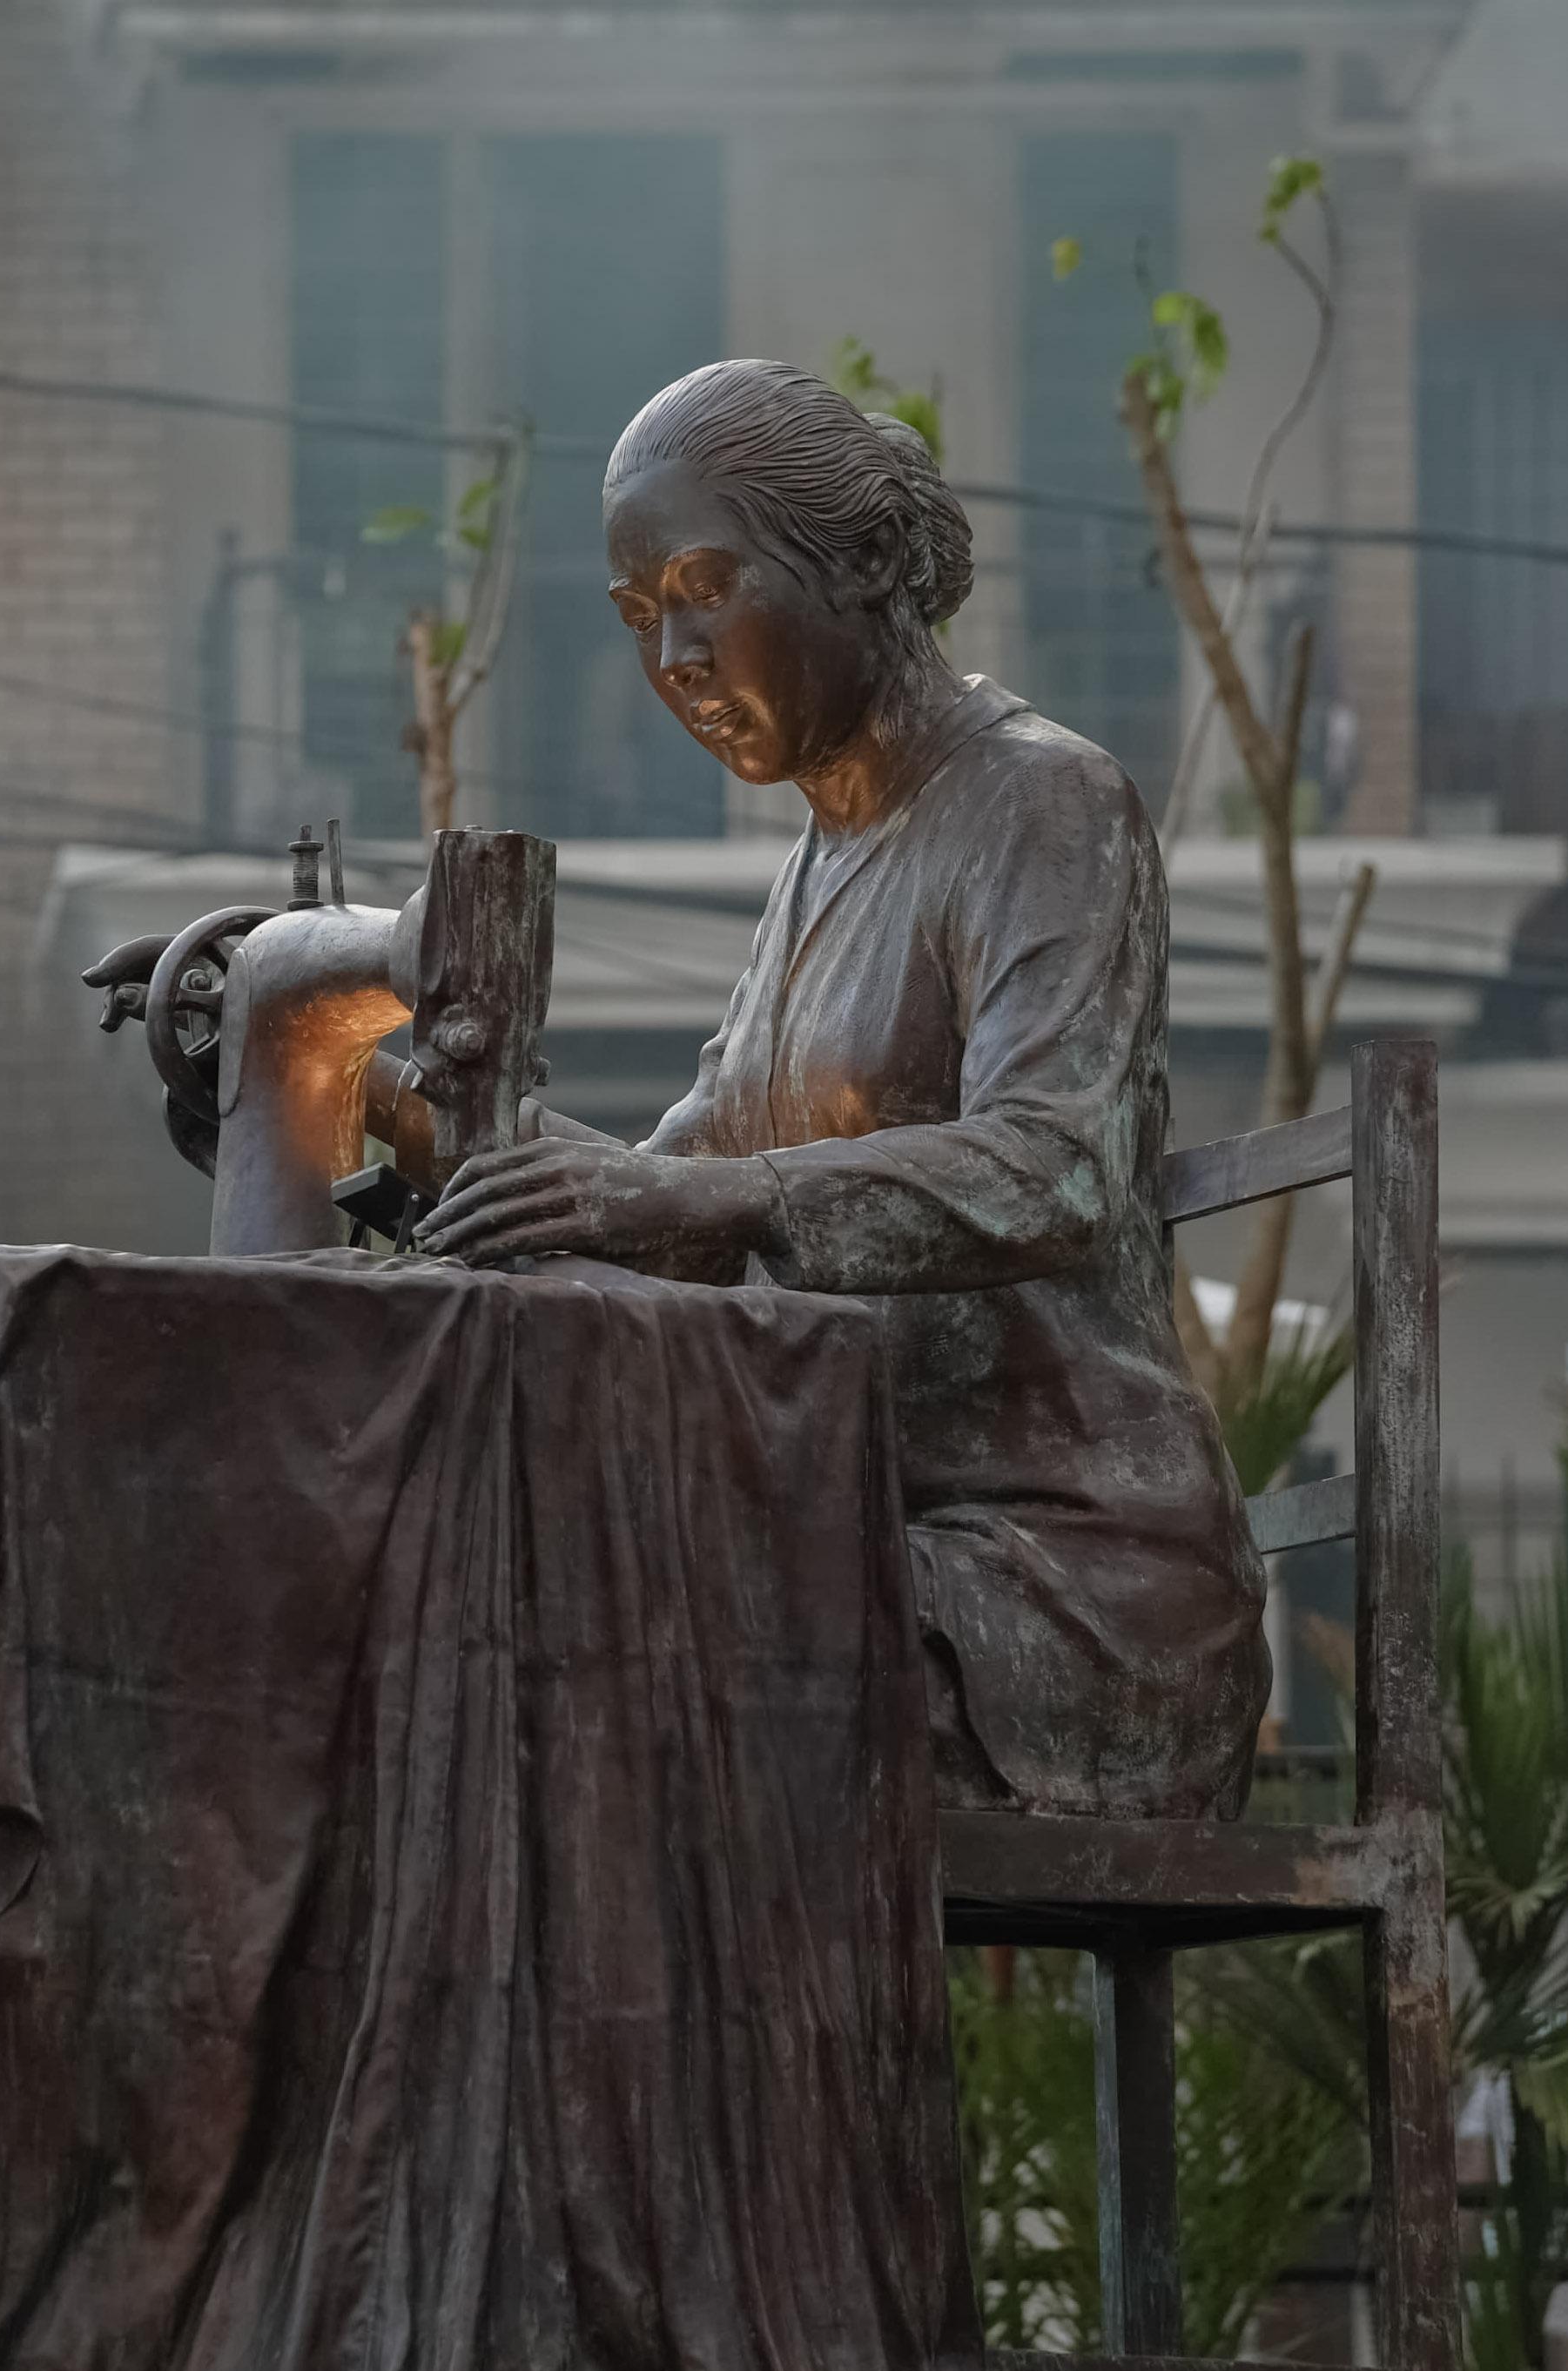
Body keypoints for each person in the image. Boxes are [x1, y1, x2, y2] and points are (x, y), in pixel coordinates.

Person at [414, 357, 1266, 1817]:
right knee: (491, 1641)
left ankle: (721, 2055)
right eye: (637, 617)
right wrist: (350, 1057)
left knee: (600, 1689)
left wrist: (682, 1190)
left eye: (702, 585)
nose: (672, 651)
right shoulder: (821, 863)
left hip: (1065, 1587)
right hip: (858, 1538)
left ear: (863, 562)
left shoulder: (1043, 802)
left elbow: (1051, 1163)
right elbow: (659, 1199)